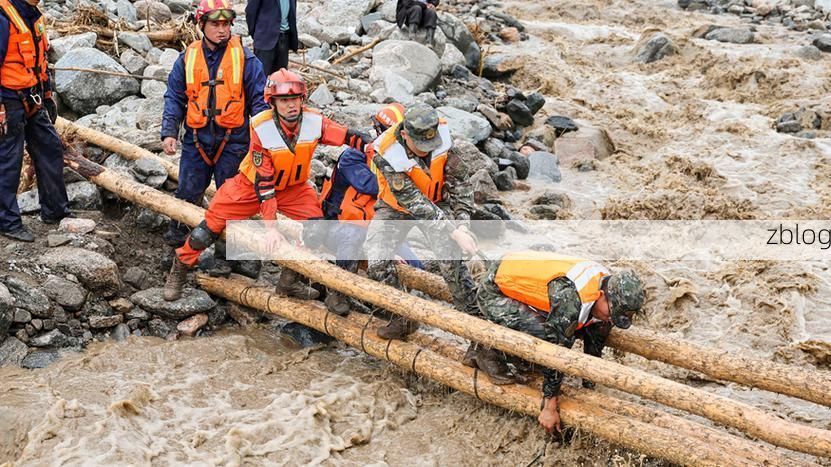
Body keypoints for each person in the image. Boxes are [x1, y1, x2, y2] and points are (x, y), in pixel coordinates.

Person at [162, 69, 371, 301]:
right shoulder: (262, 127)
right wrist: (271, 228)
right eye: (284, 100)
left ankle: (289, 281)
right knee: (209, 227)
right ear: (273, 102)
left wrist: (373, 148)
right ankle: (179, 269)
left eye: (295, 99)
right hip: (250, 186)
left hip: (294, 188)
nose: (291, 105)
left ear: (302, 99)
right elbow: (265, 184)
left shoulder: (315, 121)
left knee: (316, 228)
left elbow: (350, 136)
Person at [475, 250, 645, 433]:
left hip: (522, 270)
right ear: (602, 295)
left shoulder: (607, 289)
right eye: (613, 312)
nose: (612, 318)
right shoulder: (571, 298)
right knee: (544, 334)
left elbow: (596, 339)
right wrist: (549, 407)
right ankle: (487, 351)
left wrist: (589, 385)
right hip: (495, 290)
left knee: (591, 326)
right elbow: (556, 352)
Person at [161, 0, 268, 278]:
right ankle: (178, 243)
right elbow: (174, 96)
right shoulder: (187, 58)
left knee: (231, 198)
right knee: (187, 191)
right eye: (215, 24)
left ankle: (229, 254)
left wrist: (264, 141)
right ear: (202, 25)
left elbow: (259, 102)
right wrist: (169, 131)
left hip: (233, 141)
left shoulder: (246, 59)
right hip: (197, 139)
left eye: (226, 25)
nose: (222, 30)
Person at [363, 103, 482, 341]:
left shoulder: (443, 137)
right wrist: (452, 230)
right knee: (375, 259)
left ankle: (480, 338)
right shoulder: (385, 152)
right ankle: (402, 317)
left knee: (453, 265)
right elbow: (413, 201)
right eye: (420, 146)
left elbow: (460, 185)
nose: (426, 150)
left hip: (437, 200)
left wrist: (462, 226)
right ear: (405, 135)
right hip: (396, 207)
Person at [315, 103, 423, 315]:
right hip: (338, 226)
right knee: (352, 239)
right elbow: (372, 186)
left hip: (376, 231)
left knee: (414, 265)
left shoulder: (402, 162)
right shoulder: (353, 157)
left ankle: (388, 305)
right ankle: (339, 292)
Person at [0, 0, 71, 242]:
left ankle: (55, 210)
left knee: (50, 148)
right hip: (8, 99)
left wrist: (48, 95)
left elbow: (41, 60)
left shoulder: (34, 16)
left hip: (32, 96)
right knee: (9, 161)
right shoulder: (3, 17)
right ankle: (8, 222)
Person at [245, 0, 297, 75]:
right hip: (264, 40)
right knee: (260, 78)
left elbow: (292, 11)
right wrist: (257, 33)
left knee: (281, 79)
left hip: (284, 38)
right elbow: (251, 11)